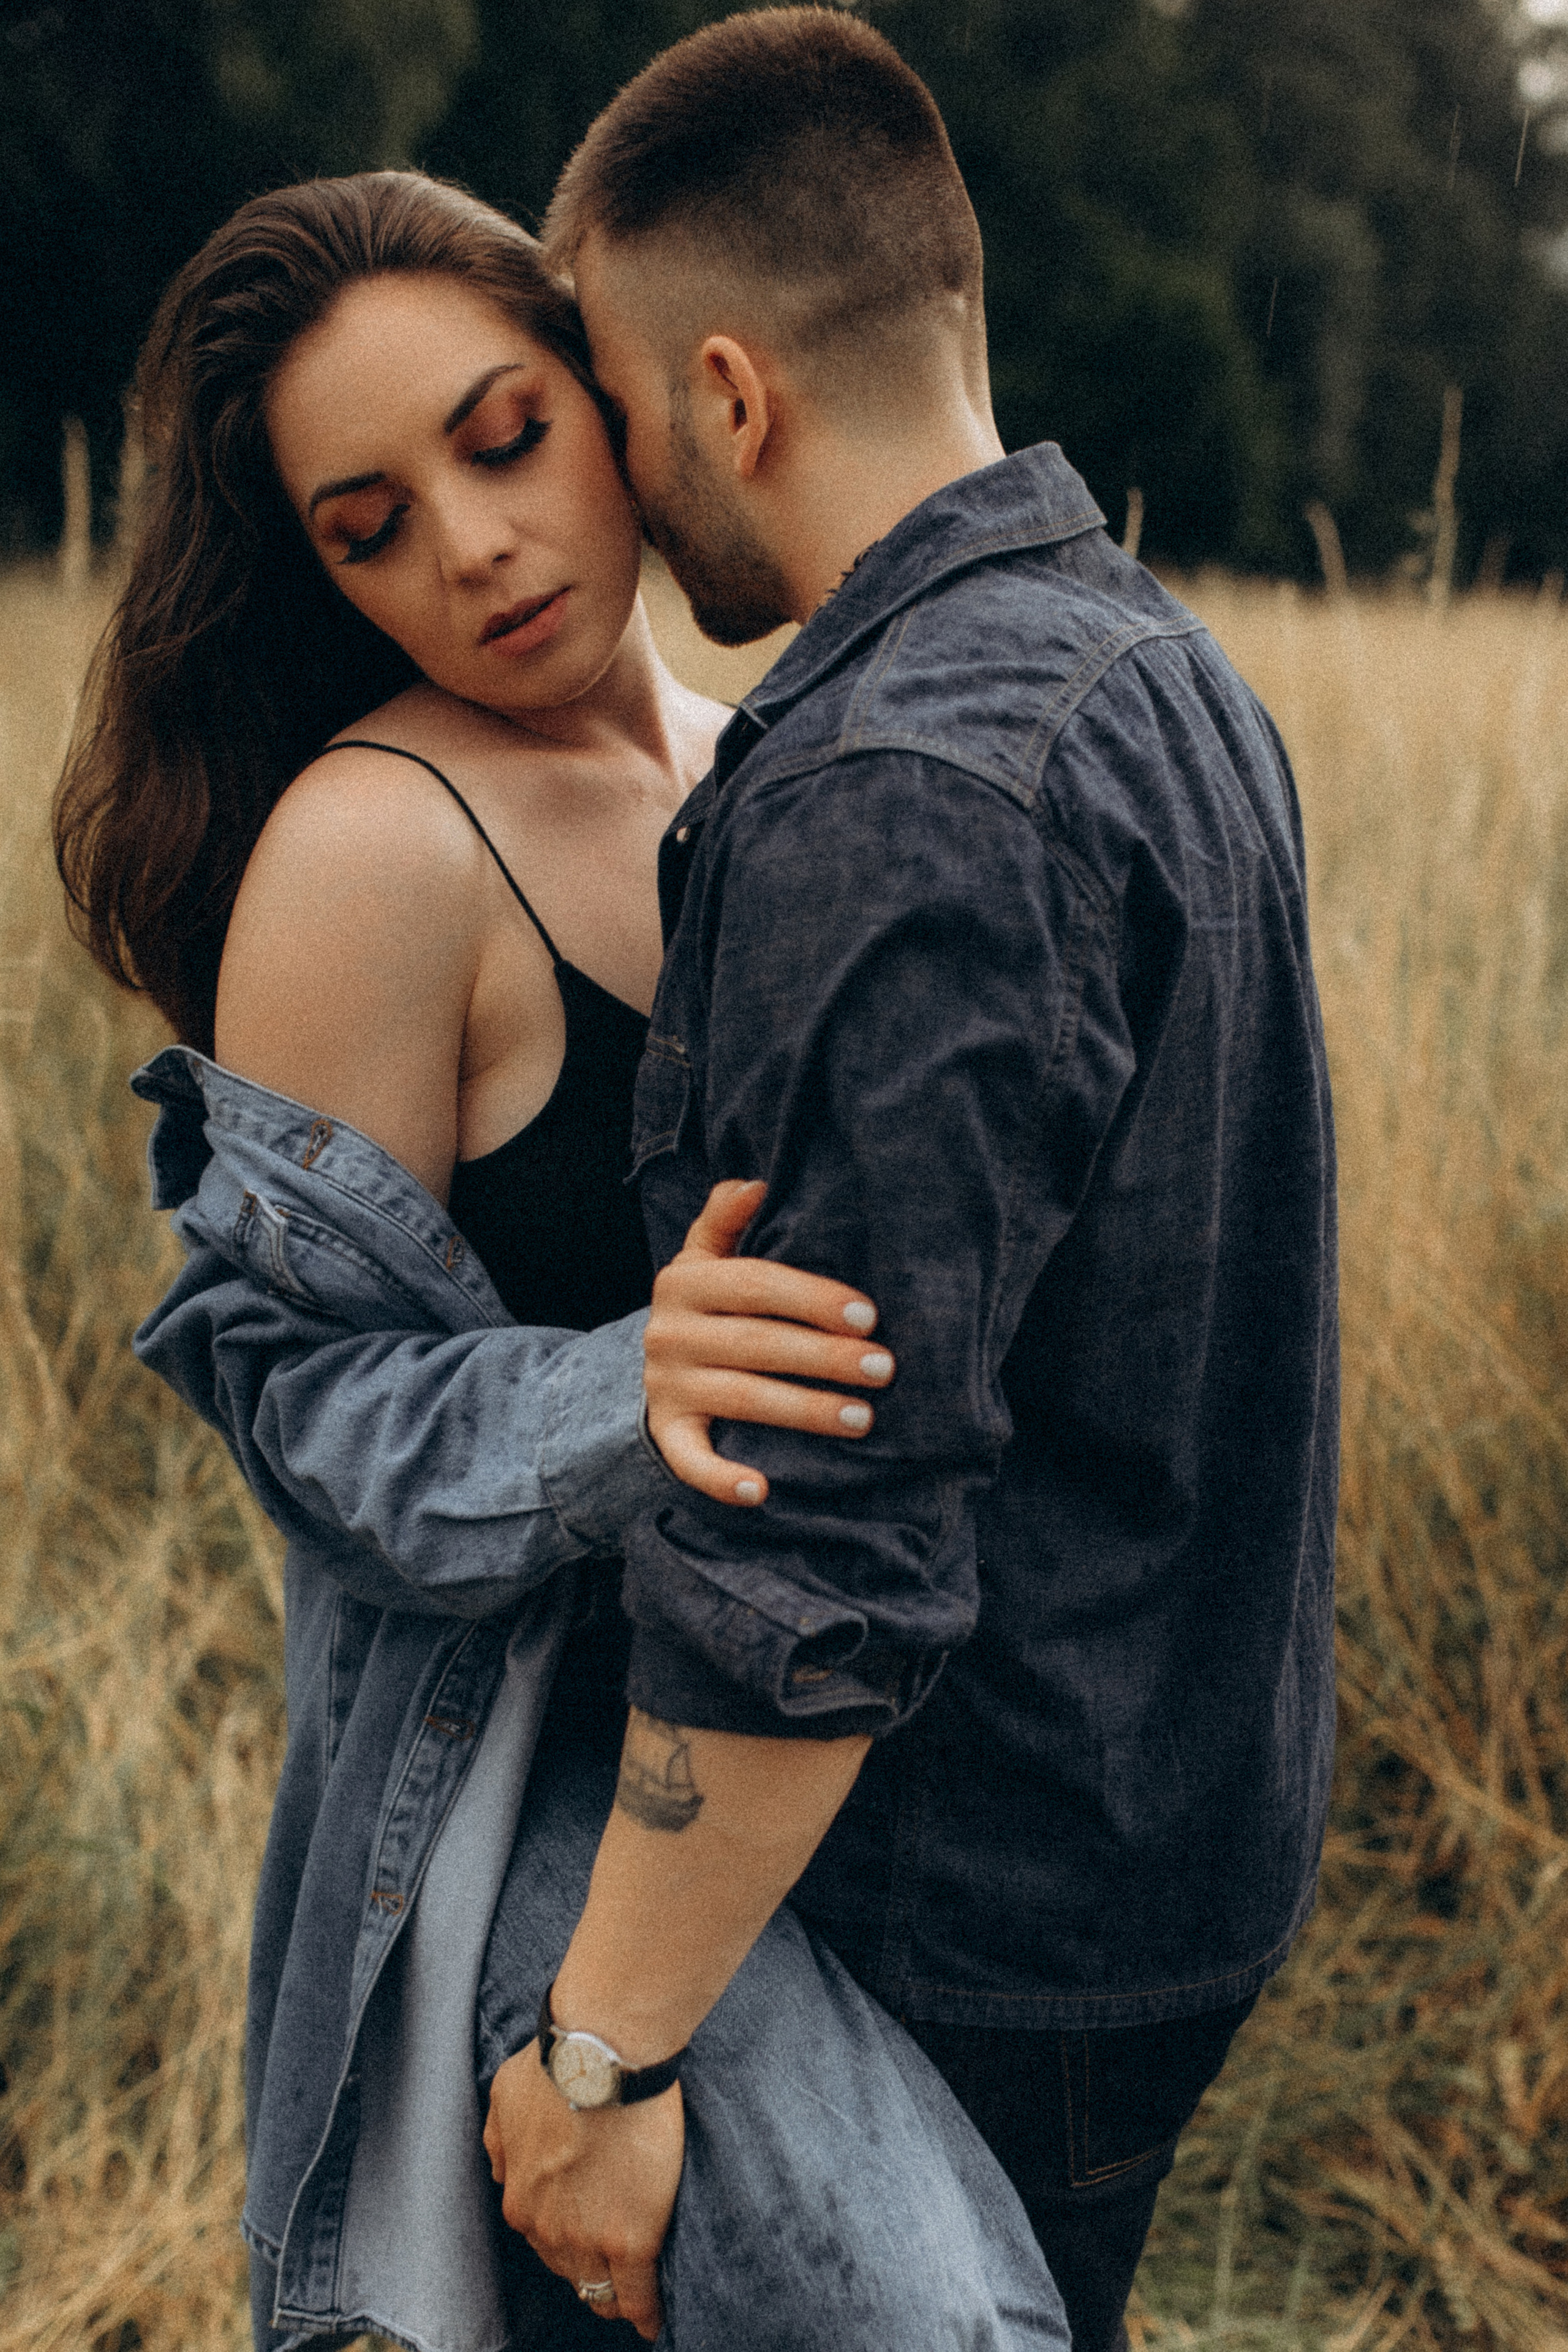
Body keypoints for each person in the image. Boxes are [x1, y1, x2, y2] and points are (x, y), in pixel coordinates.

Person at [55, 170, 1072, 2352]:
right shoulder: (374, 849)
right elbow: (300, 1409)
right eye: (371, 529)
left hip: (858, 1739)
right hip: (554, 1786)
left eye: (506, 439)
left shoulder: (767, 760)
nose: (475, 547)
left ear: (625, 397)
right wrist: (626, 1389)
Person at [481, 13, 1340, 2352]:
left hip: (970, 1901)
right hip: (1169, 1828)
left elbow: (825, 1516)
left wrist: (601, 2054)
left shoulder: (902, 789)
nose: (619, 486)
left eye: (618, 411)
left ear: (729, 393)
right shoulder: (1152, 667)